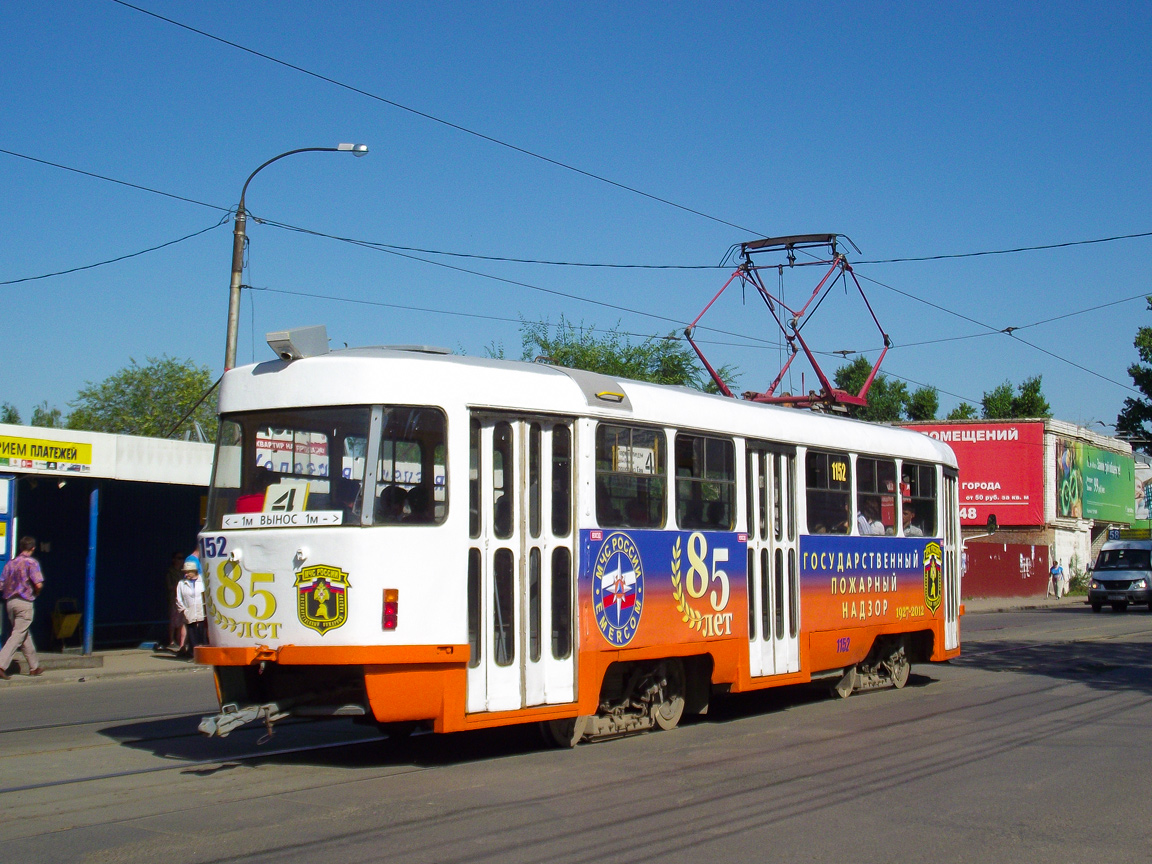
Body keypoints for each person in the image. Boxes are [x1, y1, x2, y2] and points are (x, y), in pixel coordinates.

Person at [0, 536, 45, 679]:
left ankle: (34, 667)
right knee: (18, 634)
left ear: (21, 547)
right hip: (24, 602)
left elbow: (1, 584)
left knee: (23, 634)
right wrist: (37, 592)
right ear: (33, 548)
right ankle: (1, 664)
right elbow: (38, 584)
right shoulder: (31, 563)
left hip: (10, 603)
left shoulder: (10, 564)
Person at [174, 559, 206, 658]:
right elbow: (178, 598)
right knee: (191, 632)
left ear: (194, 571)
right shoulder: (181, 583)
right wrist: (184, 610)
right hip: (189, 611)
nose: (186, 574)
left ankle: (203, 653)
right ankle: (193, 653)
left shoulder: (203, 581)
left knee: (202, 631)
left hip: (201, 610)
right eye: (185, 572)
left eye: (188, 572)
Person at [163, 551, 187, 652]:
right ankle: (171, 640)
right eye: (179, 558)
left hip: (183, 598)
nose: (181, 560)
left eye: (182, 558)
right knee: (173, 620)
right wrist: (179, 586)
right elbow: (169, 586)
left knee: (181, 620)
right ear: (174, 559)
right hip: (174, 598)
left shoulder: (183, 572)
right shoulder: (170, 572)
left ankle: (178, 640)